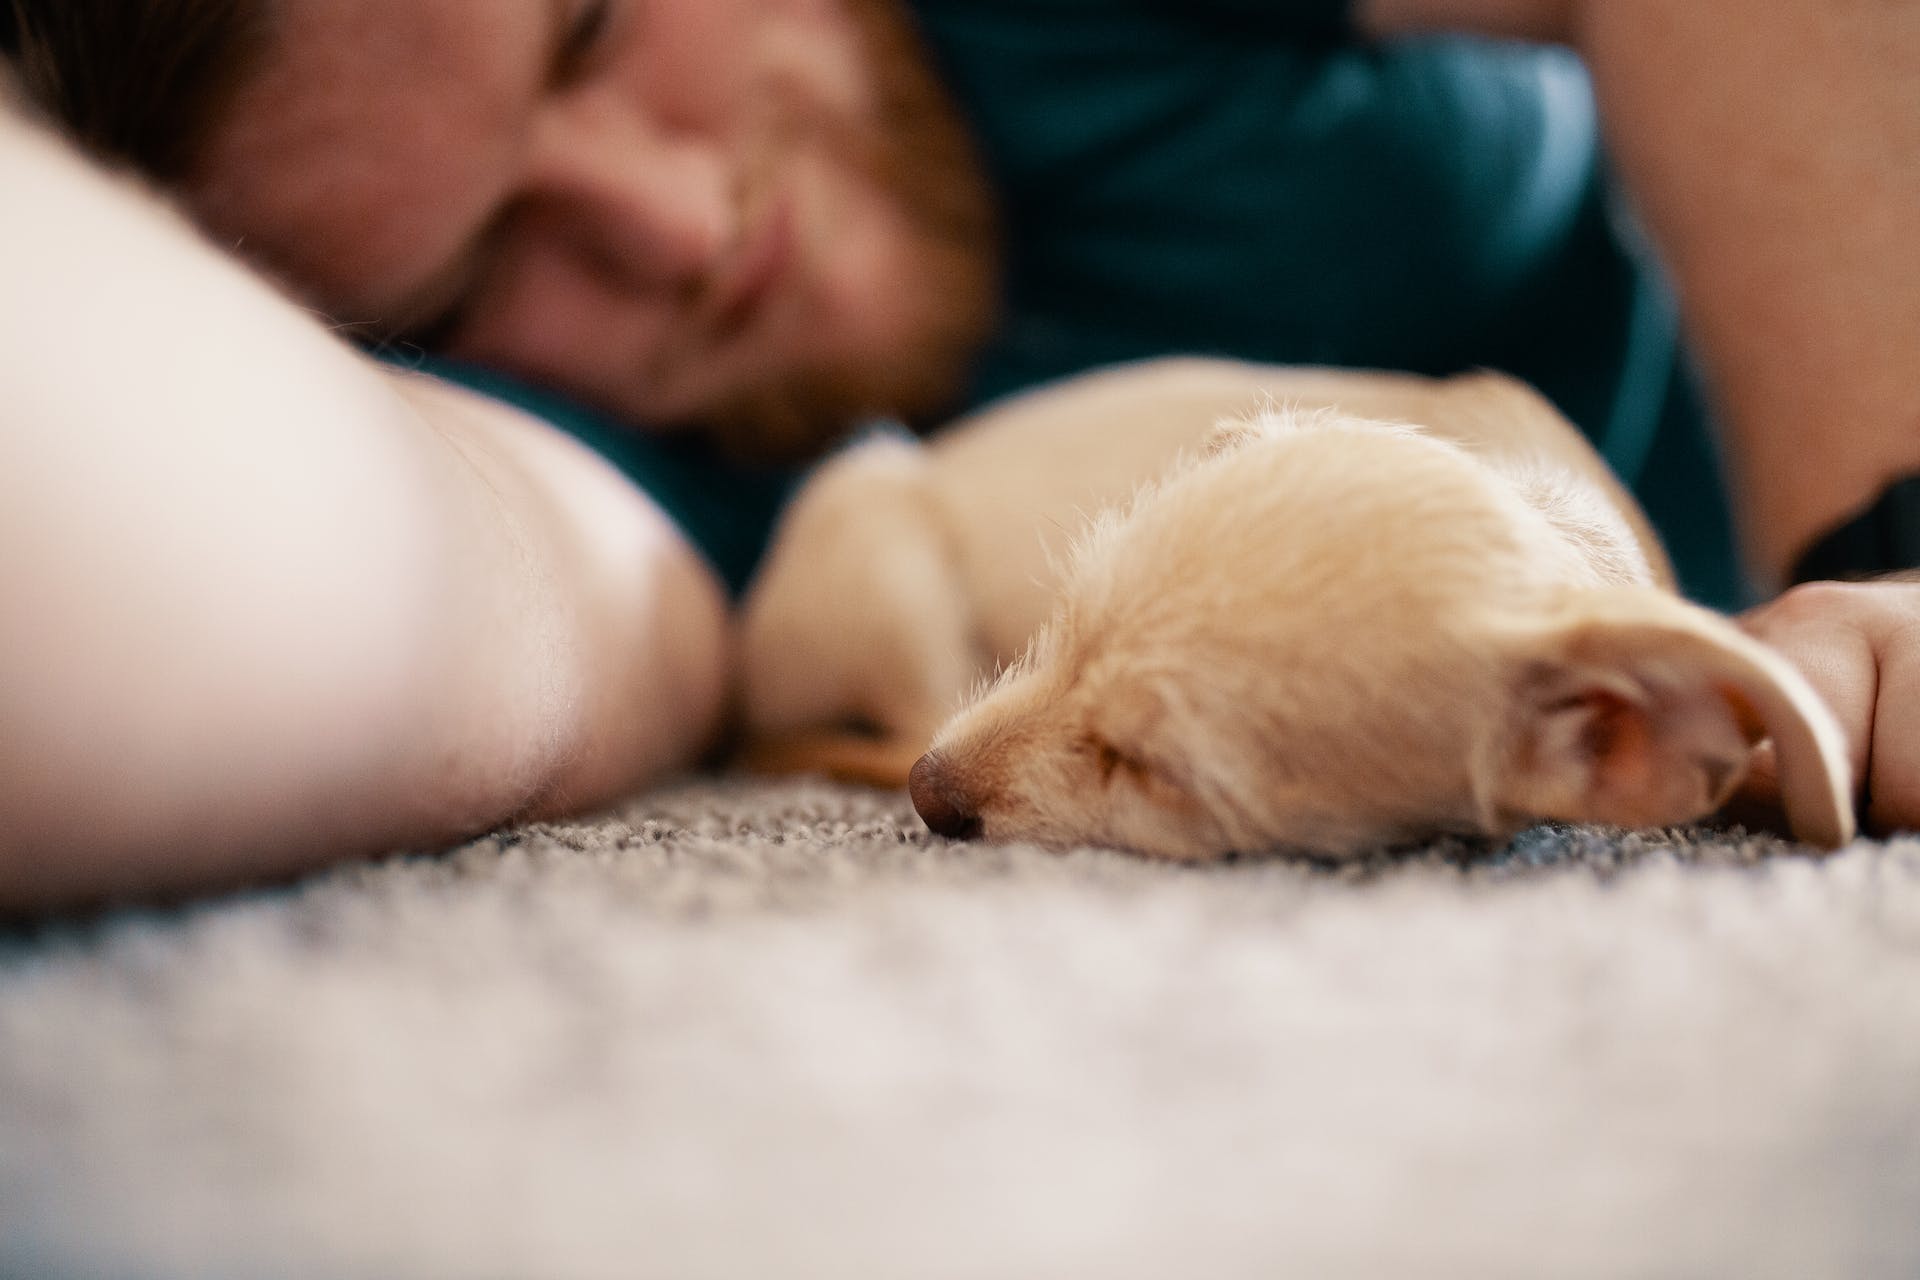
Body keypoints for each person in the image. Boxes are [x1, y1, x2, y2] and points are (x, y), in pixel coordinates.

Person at [2, 0, 1917, 909]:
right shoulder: (667, 482)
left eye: (592, 31)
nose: (677, 229)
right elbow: (348, 547)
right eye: (479, 262)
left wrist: (1891, 558)